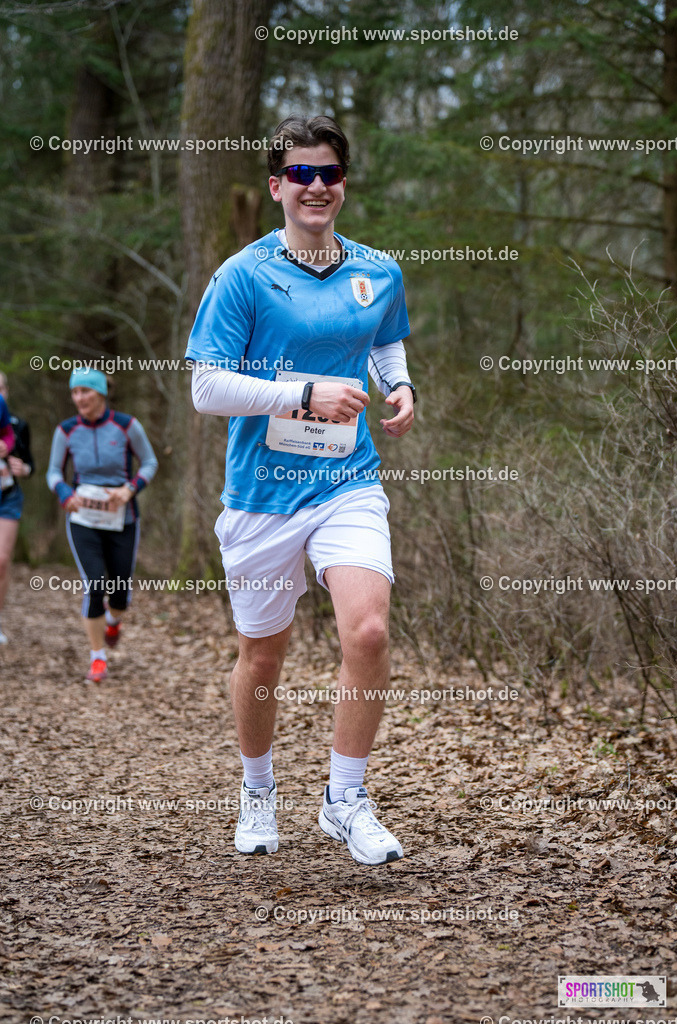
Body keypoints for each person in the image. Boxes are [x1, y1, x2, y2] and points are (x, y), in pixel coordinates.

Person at [186, 115, 416, 865]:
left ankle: (344, 800)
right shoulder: (243, 275)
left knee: (370, 631)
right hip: (260, 494)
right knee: (263, 656)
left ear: (343, 184)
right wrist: (301, 393)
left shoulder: (378, 270)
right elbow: (206, 387)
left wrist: (400, 382)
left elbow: (383, 335)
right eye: (301, 174)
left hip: (346, 481)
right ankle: (258, 790)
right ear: (277, 186)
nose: (317, 187)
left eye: (330, 174)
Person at [47, 368, 158, 681]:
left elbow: (150, 462)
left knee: (120, 590)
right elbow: (53, 471)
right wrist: (64, 491)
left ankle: (114, 620)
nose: (79, 398)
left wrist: (130, 488)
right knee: (95, 584)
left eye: (86, 391)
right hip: (83, 518)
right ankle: (97, 657)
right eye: (75, 392)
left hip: (122, 517)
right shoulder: (66, 430)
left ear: (101, 393)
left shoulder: (126, 426)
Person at [0, 373, 25, 644]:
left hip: (7, 494)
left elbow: (8, 435)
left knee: (2, 561)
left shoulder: (1, 405)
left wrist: (5, 447)